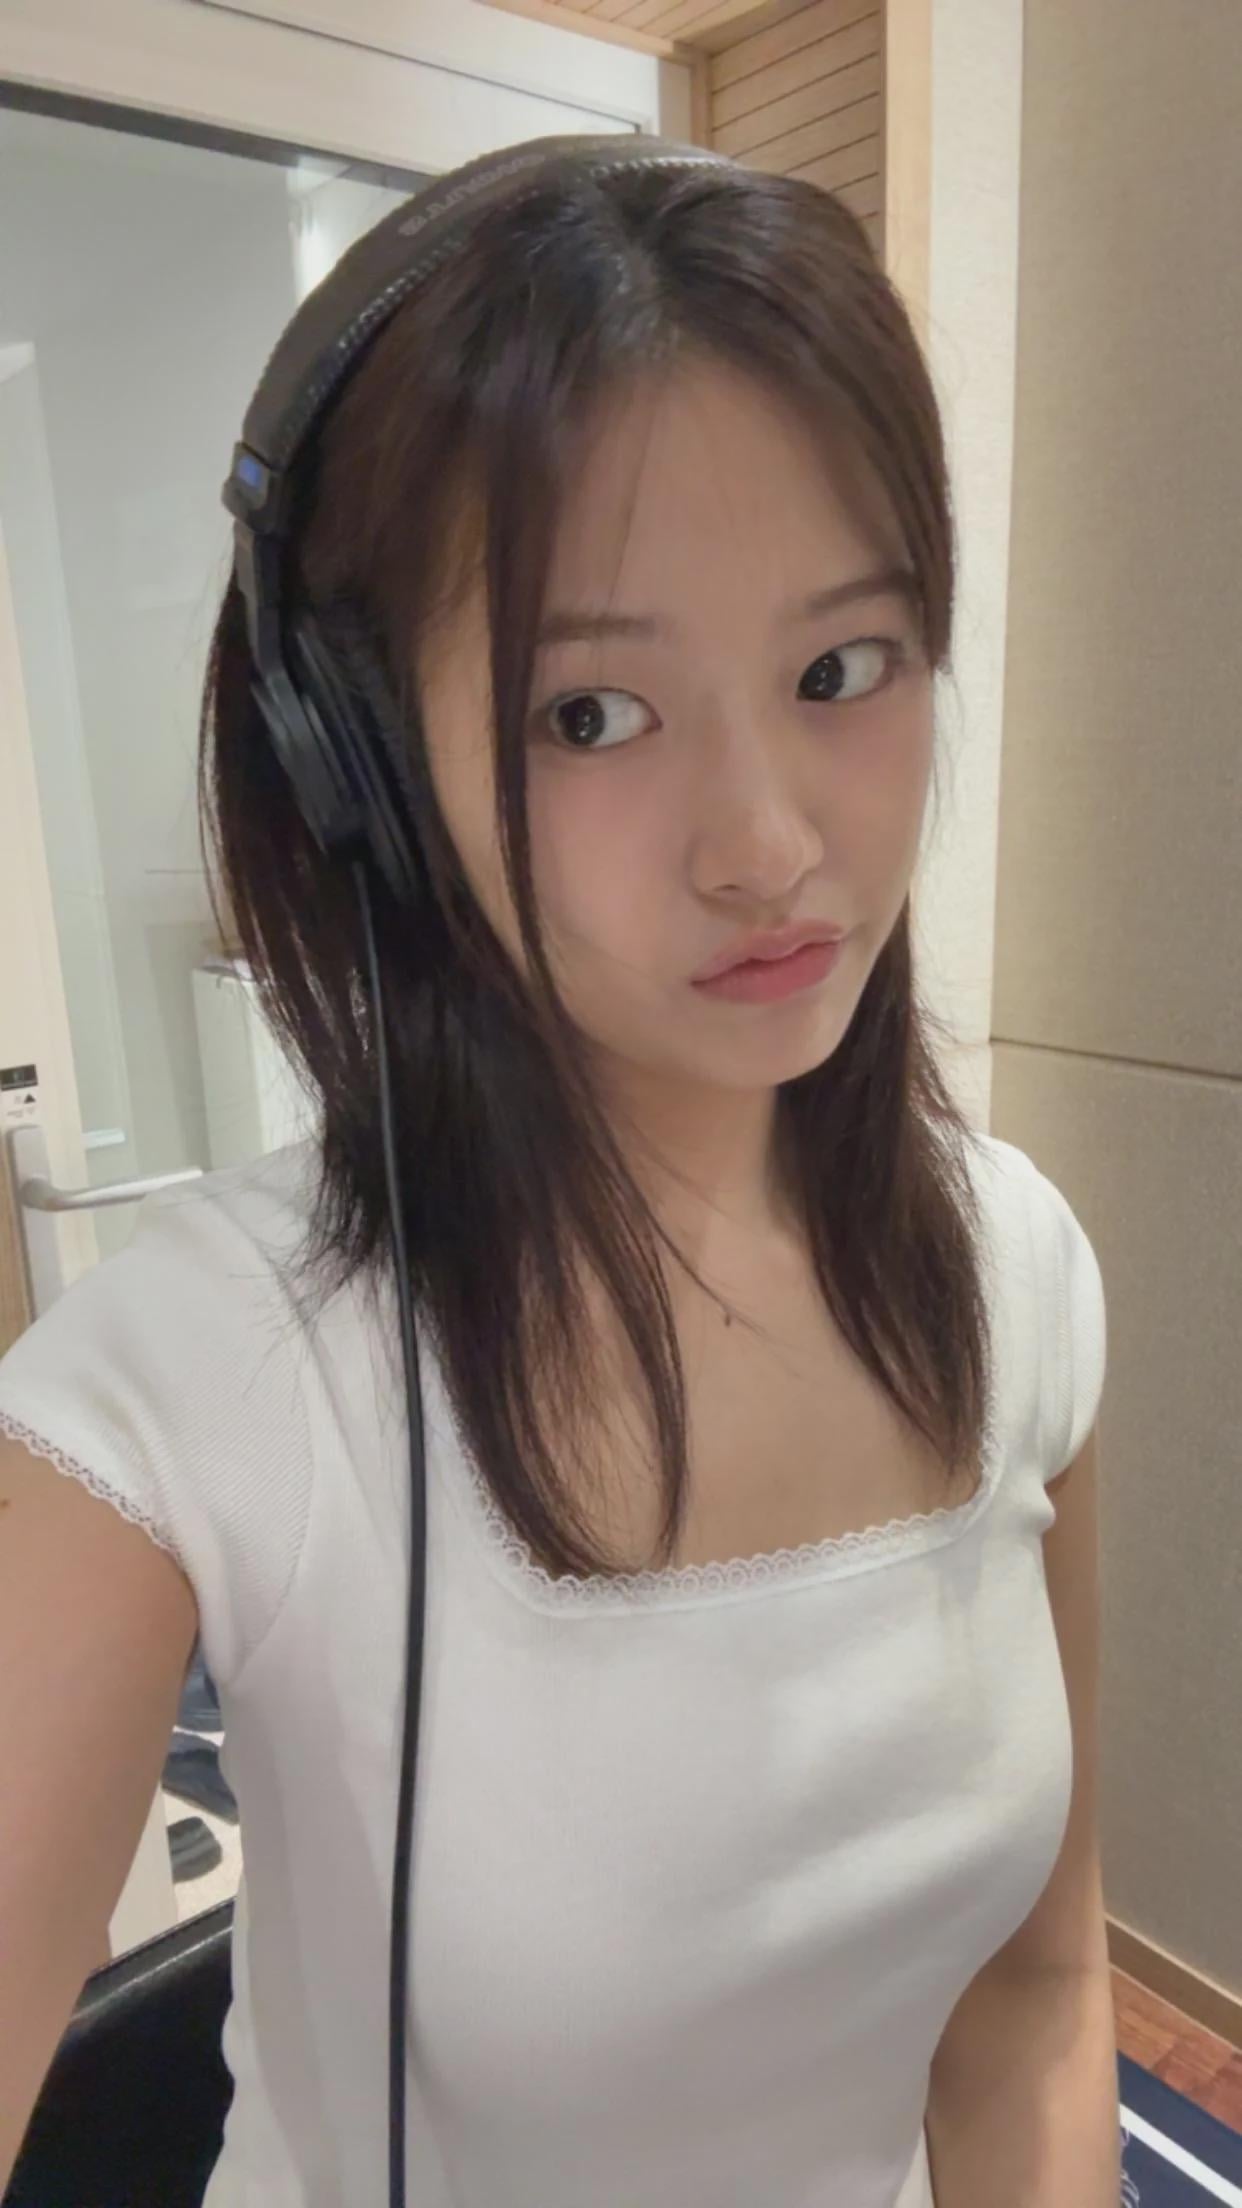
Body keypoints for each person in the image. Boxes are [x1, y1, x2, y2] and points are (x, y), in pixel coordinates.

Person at [0, 138, 1122, 2206]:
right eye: (592, 713)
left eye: (840, 670)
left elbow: (1036, 2009)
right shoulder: (178, 1394)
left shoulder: (1019, 1275)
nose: (769, 843)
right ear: (362, 772)